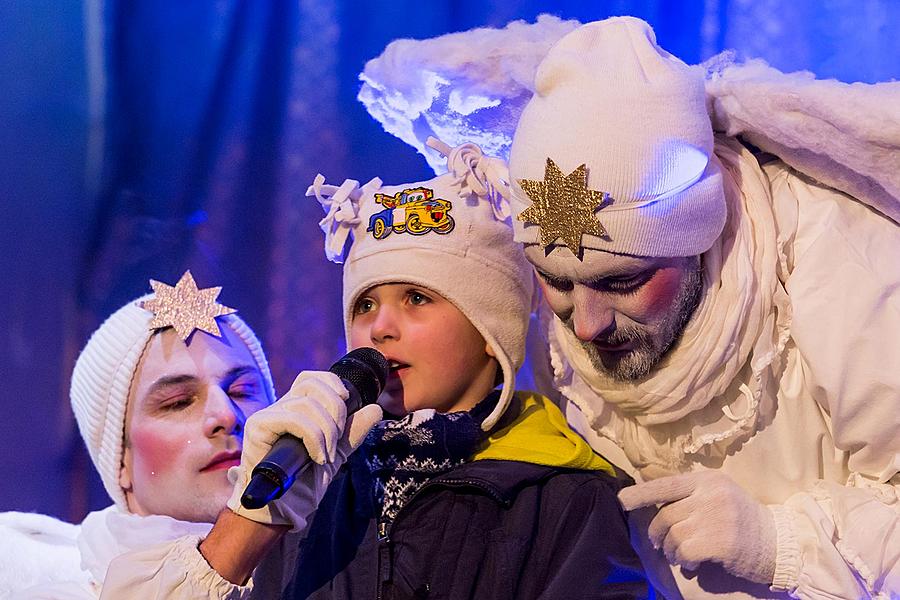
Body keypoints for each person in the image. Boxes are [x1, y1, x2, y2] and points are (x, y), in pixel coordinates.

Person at [98, 139, 653, 599]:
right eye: (365, 305)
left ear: (491, 332)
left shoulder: (564, 495)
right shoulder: (311, 494)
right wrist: (254, 519)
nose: (380, 327)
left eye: (416, 298)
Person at [501, 16, 900, 599]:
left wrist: (778, 544)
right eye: (556, 282)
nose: (586, 325)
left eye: (623, 281)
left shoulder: (836, 269)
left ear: (697, 238)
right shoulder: (557, 332)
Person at [2, 270, 276, 598]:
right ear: (121, 461)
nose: (226, 415)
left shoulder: (334, 563)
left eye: (243, 390)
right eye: (178, 403)